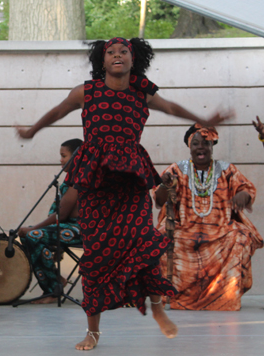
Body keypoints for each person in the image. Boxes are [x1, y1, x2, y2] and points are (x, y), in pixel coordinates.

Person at [16, 37, 232, 351]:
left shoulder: (141, 91)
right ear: (101, 62)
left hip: (130, 177)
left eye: (123, 52)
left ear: (134, 59)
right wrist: (33, 130)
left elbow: (170, 107)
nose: (117, 56)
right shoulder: (86, 92)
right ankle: (93, 332)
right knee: (96, 256)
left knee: (144, 242)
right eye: (111, 53)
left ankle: (157, 308)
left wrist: (204, 120)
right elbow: (57, 111)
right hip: (96, 180)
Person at [154, 124, 263, 311]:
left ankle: (226, 298)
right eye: (196, 143)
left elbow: (246, 189)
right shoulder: (177, 169)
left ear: (212, 146)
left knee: (241, 236)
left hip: (221, 232)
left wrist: (241, 196)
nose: (201, 147)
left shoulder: (226, 169)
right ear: (190, 147)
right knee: (163, 235)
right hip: (185, 230)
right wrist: (165, 186)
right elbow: (158, 200)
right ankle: (176, 297)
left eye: (206, 143)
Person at [18, 138, 82, 304]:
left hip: (83, 230)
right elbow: (55, 213)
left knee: (33, 235)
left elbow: (61, 214)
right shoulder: (69, 181)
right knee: (28, 234)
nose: (60, 160)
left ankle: (53, 290)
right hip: (67, 227)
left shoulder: (81, 179)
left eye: (64, 155)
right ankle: (56, 281)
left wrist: (35, 229)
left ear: (77, 156)